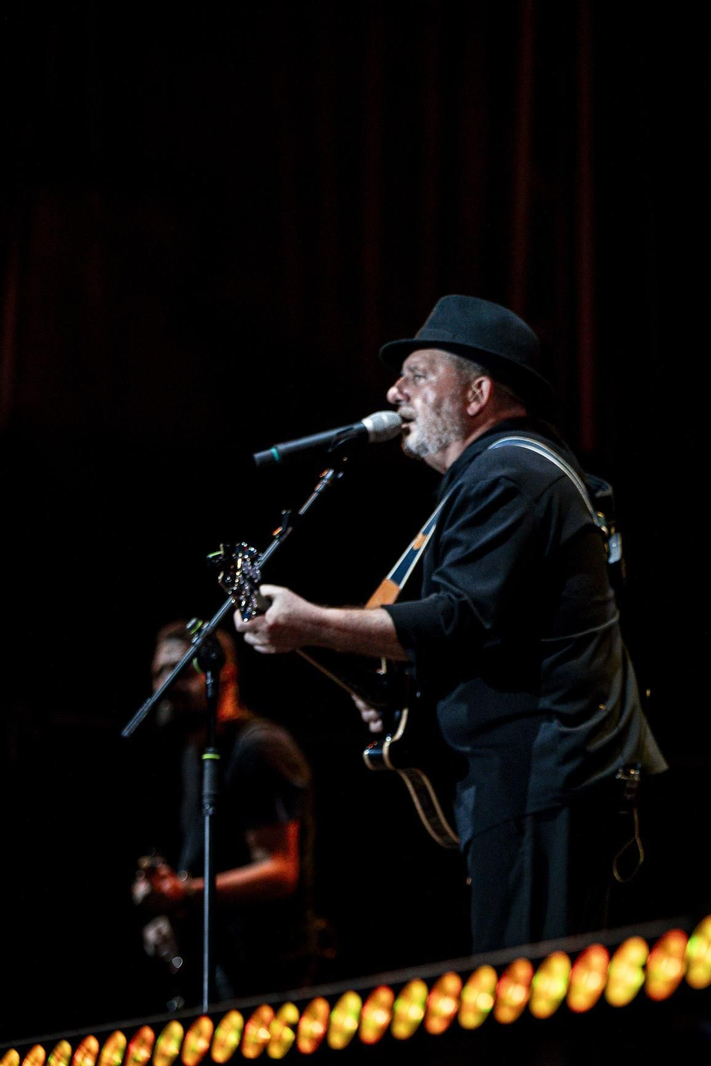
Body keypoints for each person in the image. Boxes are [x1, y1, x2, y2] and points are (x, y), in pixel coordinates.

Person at [236, 294, 666, 953]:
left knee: (529, 1012)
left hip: (543, 786)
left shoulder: (511, 472)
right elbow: (490, 630)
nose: (394, 391)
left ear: (478, 393)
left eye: (418, 373)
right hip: (527, 788)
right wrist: (403, 700)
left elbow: (460, 616)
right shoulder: (491, 476)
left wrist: (312, 623)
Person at [135, 622, 316, 1003]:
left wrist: (183, 893)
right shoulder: (193, 754)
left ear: (224, 675)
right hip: (222, 970)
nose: (166, 684)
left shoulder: (259, 748)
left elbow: (280, 871)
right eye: (159, 673)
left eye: (181, 671)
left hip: (270, 978)